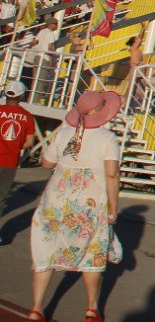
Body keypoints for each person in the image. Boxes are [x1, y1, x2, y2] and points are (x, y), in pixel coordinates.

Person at [29, 89, 123, 322]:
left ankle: (37, 308)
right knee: (92, 254)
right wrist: (113, 207)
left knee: (45, 251)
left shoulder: (64, 133)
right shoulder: (108, 138)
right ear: (102, 112)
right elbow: (112, 175)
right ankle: (92, 308)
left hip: (55, 201)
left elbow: (46, 163)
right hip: (89, 203)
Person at [0, 81, 36, 218]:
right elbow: (29, 142)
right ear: (21, 96)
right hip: (10, 161)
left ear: (5, 94)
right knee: (1, 195)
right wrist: (15, 144)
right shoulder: (27, 116)